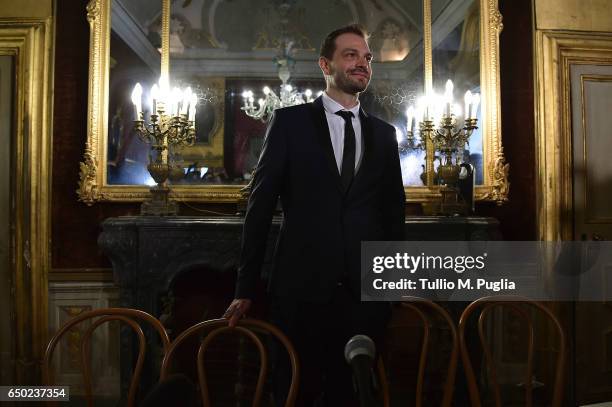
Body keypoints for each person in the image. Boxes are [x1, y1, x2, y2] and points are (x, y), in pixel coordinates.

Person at [223, 24, 406, 406]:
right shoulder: (290, 123)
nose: (363, 64)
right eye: (351, 55)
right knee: (296, 389)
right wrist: (245, 289)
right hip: (300, 290)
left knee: (353, 393)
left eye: (367, 57)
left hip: (363, 295)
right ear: (326, 64)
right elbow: (259, 209)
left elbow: (393, 215)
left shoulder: (385, 135)